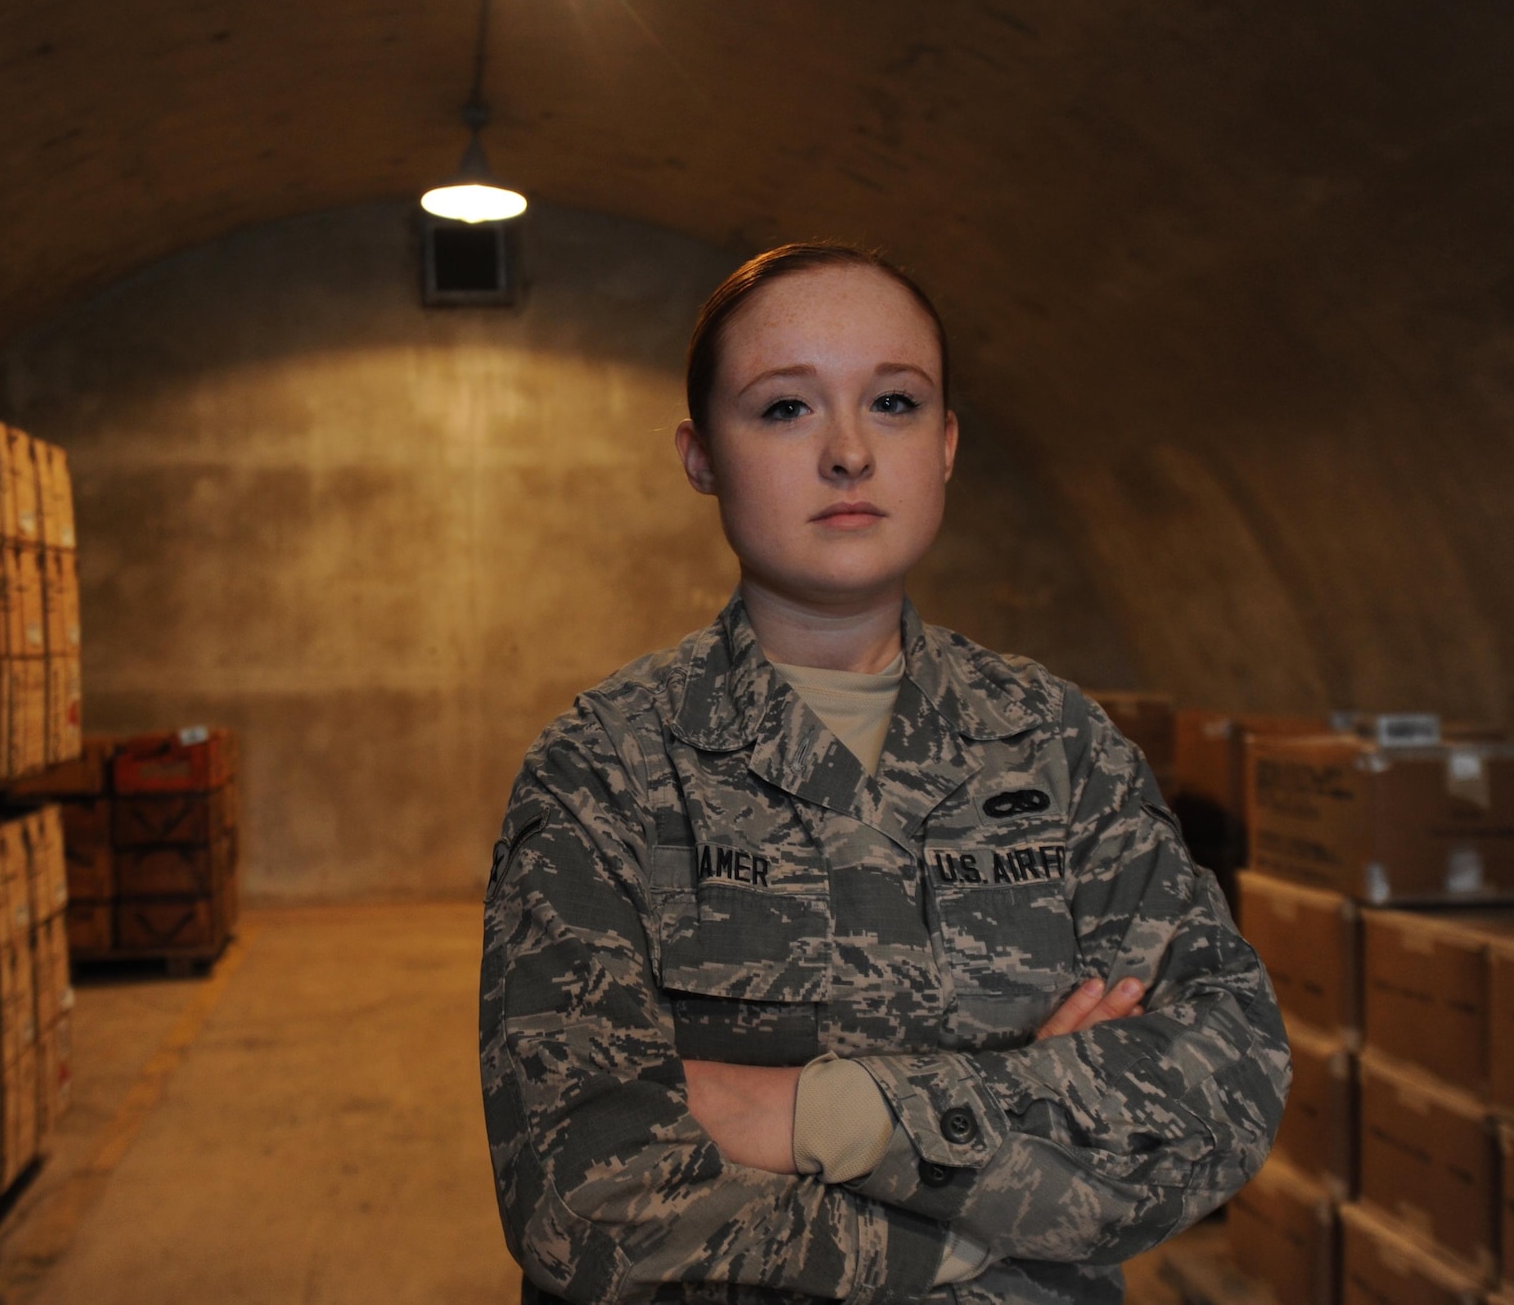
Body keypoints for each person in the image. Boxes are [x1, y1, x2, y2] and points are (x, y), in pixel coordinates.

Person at [478, 242, 1290, 1304]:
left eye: (895, 403)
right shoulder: (606, 771)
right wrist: (996, 1203)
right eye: (783, 409)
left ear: (945, 444)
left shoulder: (1057, 744)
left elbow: (1224, 1080)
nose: (850, 452)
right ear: (700, 455)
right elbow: (577, 1197)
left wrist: (805, 1115)